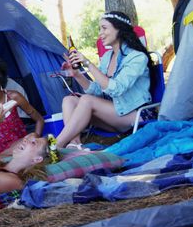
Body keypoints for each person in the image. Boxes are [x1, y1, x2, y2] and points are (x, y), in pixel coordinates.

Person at [57, 11, 153, 149]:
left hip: (134, 114)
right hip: (112, 114)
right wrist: (77, 74)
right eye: (100, 29)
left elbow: (116, 88)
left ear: (119, 28)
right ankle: (74, 145)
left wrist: (88, 63)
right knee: (69, 100)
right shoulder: (107, 57)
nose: (100, 33)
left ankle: (56, 146)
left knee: (86, 100)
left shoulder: (137, 57)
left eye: (104, 28)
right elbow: (96, 91)